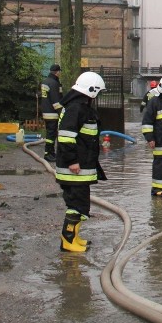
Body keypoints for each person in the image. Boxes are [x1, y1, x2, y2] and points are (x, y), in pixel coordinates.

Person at [55, 71, 107, 252]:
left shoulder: (78, 106)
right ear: (91, 90)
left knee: (80, 204)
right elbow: (66, 137)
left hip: (80, 167)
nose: (97, 96)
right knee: (76, 205)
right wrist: (72, 161)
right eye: (97, 92)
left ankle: (74, 238)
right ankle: (68, 241)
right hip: (74, 169)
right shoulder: (76, 108)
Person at [41, 64, 64, 162]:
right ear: (57, 72)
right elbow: (56, 101)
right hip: (52, 113)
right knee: (51, 135)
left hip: (46, 111)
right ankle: (48, 154)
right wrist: (62, 113)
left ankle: (50, 153)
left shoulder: (45, 81)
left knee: (50, 134)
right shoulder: (54, 83)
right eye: (60, 72)